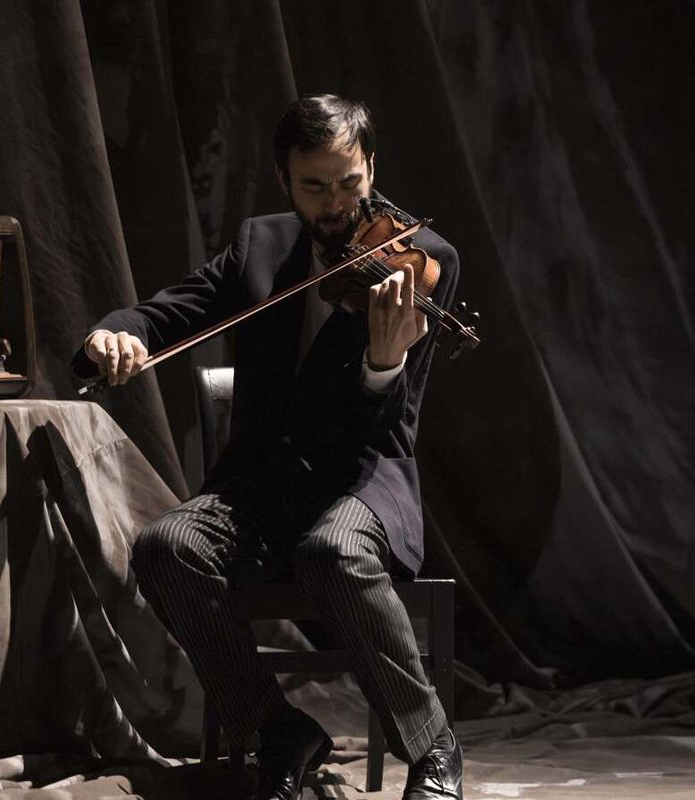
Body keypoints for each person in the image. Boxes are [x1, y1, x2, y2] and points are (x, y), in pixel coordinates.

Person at [72, 94, 463, 800]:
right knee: (165, 547)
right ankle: (278, 730)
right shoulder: (262, 246)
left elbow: (384, 428)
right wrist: (117, 332)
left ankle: (433, 747)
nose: (337, 204)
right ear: (284, 180)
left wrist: (383, 366)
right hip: (264, 486)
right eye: (315, 186)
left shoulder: (422, 260)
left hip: (364, 481)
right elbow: (172, 310)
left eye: (350, 182)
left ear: (371, 167)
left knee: (332, 550)